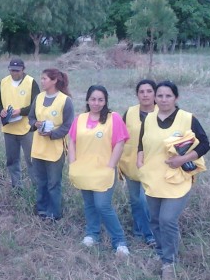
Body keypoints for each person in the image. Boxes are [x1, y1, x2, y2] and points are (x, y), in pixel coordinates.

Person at [137, 81, 209, 280]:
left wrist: (183, 159)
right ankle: (161, 252)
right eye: (159, 96)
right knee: (154, 219)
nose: (163, 99)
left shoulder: (187, 118)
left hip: (177, 179)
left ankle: (169, 262)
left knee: (167, 219)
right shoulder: (149, 118)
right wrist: (139, 158)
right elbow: (142, 142)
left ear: (175, 98)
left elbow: (205, 144)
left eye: (168, 96)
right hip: (153, 178)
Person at [68, 85, 130, 256]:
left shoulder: (114, 118)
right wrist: (72, 163)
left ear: (105, 101)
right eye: (93, 99)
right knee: (89, 204)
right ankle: (92, 234)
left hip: (104, 170)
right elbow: (72, 141)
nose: (96, 103)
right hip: (83, 170)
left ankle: (119, 241)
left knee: (102, 205)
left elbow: (120, 142)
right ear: (87, 100)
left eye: (100, 99)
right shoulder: (80, 118)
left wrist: (111, 166)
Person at [28, 68, 74, 221]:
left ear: (54, 81)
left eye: (44, 79)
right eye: (41, 78)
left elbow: (68, 125)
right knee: (41, 181)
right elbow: (31, 118)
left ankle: (54, 214)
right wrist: (36, 123)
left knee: (53, 183)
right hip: (38, 147)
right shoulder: (39, 98)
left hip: (55, 149)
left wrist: (52, 134)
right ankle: (41, 210)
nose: (42, 81)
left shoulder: (65, 100)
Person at [119, 79, 157, 246]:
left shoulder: (162, 112)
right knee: (136, 199)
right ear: (137, 95)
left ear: (155, 93)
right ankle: (138, 230)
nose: (145, 95)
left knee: (147, 200)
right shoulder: (130, 112)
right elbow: (120, 135)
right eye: (141, 92)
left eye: (149, 91)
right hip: (131, 163)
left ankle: (150, 234)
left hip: (154, 165)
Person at [0, 58, 40, 189]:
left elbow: (36, 105)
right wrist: (1, 111)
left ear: (23, 70)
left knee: (31, 160)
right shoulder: (3, 82)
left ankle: (36, 188)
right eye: (12, 70)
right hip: (9, 128)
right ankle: (17, 187)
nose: (14, 73)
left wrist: (20, 111)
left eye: (17, 71)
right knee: (12, 160)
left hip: (27, 128)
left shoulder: (31, 82)